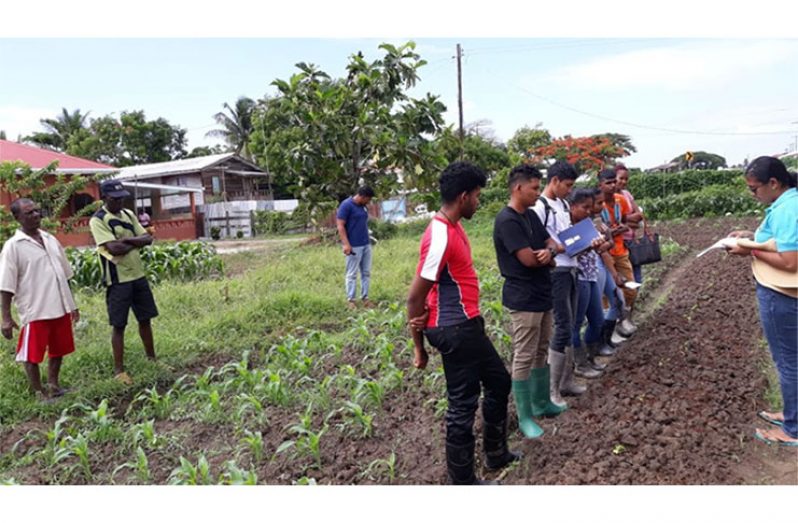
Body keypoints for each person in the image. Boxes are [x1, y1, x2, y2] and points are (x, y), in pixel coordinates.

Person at [407, 161, 519, 484]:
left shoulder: (454, 227)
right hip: (455, 330)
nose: (479, 202)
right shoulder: (440, 235)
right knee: (462, 405)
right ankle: (463, 482)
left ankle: (496, 454)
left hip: (467, 325)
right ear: (464, 196)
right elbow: (415, 298)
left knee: (498, 382)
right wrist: (419, 349)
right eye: (478, 196)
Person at [727, 156, 797, 447]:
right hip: (782, 292)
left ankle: (793, 429)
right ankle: (792, 413)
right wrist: (750, 236)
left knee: (789, 361)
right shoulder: (786, 203)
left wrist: (749, 251)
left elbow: (790, 260)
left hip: (781, 294)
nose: (753, 194)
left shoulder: (788, 208)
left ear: (773, 183)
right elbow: (777, 241)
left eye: (754, 189)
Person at [493, 164, 564, 439]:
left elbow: (553, 244)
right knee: (524, 355)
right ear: (517, 188)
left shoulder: (531, 216)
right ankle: (525, 417)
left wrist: (547, 252)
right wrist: (547, 255)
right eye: (534, 188)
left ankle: (542, 402)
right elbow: (527, 259)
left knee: (541, 349)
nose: (538, 193)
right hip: (523, 298)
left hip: (542, 293)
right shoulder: (507, 220)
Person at [533, 160, 598, 408]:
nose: (569, 191)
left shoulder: (561, 204)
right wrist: (556, 247)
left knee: (571, 324)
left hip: (571, 268)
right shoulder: (541, 207)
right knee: (562, 327)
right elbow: (539, 240)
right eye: (567, 185)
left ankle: (566, 380)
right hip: (557, 272)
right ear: (555, 181)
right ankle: (552, 390)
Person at [0, 198, 79, 401]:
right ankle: (39, 392)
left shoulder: (50, 239)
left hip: (60, 306)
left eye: (37, 211)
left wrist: (72, 305)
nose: (36, 215)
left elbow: (64, 274)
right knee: (31, 354)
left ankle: (53, 385)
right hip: (35, 309)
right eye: (29, 213)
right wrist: (6, 318)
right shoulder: (13, 246)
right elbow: (6, 285)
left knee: (58, 348)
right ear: (17, 218)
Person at [89, 180, 159, 385]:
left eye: (121, 198)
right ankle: (119, 370)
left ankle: (152, 359)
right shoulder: (98, 220)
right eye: (114, 198)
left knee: (145, 318)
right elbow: (114, 249)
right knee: (119, 325)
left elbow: (147, 239)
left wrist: (125, 242)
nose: (119, 201)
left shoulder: (128, 214)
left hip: (137, 274)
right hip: (117, 279)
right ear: (104, 198)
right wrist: (134, 241)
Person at [569, 189, 612, 374]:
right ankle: (580, 364)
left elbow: (600, 247)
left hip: (591, 274)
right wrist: (589, 246)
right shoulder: (567, 227)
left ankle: (590, 356)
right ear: (572, 207)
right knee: (576, 323)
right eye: (584, 207)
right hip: (578, 278)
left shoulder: (588, 225)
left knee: (597, 320)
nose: (589, 211)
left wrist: (606, 237)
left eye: (590, 207)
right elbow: (570, 251)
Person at [597, 168, 638, 338]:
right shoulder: (597, 203)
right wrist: (610, 233)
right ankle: (611, 327)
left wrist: (623, 227)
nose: (613, 185)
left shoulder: (620, 200)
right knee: (607, 295)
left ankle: (624, 319)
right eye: (609, 183)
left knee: (630, 288)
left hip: (620, 249)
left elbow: (628, 220)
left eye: (614, 181)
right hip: (604, 253)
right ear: (600, 185)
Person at [336, 186, 375, 309]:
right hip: (354, 245)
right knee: (352, 273)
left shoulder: (362, 207)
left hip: (365, 243)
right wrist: (346, 244)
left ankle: (365, 298)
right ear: (362, 196)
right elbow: (340, 226)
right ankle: (351, 300)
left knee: (366, 272)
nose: (369, 202)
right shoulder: (346, 205)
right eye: (368, 200)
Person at [614, 163, 644, 285]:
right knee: (624, 279)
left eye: (626, 179)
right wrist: (630, 220)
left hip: (632, 241)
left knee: (637, 278)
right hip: (618, 243)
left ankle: (631, 304)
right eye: (621, 178)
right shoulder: (608, 198)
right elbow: (613, 221)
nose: (624, 181)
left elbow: (639, 215)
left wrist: (623, 219)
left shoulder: (627, 194)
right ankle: (625, 303)